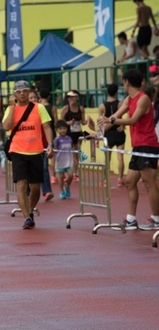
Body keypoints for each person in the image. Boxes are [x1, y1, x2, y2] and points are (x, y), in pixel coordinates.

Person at [99, 69, 159, 230]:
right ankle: (131, 219)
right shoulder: (128, 99)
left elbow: (132, 120)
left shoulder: (143, 99)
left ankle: (157, 219)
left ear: (126, 82)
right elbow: (114, 118)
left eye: (123, 82)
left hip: (148, 145)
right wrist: (97, 133)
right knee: (129, 181)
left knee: (149, 183)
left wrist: (111, 119)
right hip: (137, 145)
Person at [2, 81, 54, 229]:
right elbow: (6, 127)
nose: (22, 94)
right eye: (19, 91)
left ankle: (30, 210)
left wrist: (50, 144)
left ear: (29, 91)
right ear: (15, 94)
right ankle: (26, 218)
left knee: (36, 187)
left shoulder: (39, 108)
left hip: (36, 151)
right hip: (17, 150)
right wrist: (12, 107)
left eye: (25, 91)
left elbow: (47, 127)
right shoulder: (10, 109)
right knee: (21, 184)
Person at [97, 84, 126, 186]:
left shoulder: (102, 106)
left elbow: (100, 122)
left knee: (107, 158)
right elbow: (123, 117)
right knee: (120, 157)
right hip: (118, 132)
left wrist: (98, 137)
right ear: (116, 92)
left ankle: (104, 179)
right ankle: (120, 179)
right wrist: (122, 126)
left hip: (108, 133)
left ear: (107, 92)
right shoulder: (121, 103)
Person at [29, 91, 54, 201]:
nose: (33, 99)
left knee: (44, 168)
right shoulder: (23, 112)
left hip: (42, 145)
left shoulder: (41, 110)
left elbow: (48, 127)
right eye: (31, 98)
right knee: (29, 170)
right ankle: (29, 192)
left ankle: (47, 191)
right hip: (28, 147)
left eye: (35, 97)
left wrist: (50, 144)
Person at [61, 90, 88, 181]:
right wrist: (68, 123)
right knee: (68, 153)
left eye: (73, 97)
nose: (71, 99)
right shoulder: (65, 108)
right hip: (68, 133)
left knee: (76, 153)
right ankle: (65, 173)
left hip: (78, 133)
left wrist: (88, 121)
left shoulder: (81, 108)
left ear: (77, 98)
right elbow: (61, 122)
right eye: (69, 97)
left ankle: (75, 173)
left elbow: (83, 122)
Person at [53, 120, 74, 199]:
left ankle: (67, 185)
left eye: (64, 128)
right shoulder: (57, 140)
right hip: (60, 162)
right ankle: (61, 191)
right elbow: (54, 149)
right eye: (60, 129)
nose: (63, 130)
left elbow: (71, 148)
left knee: (71, 175)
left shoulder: (69, 138)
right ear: (57, 130)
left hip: (69, 161)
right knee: (61, 178)